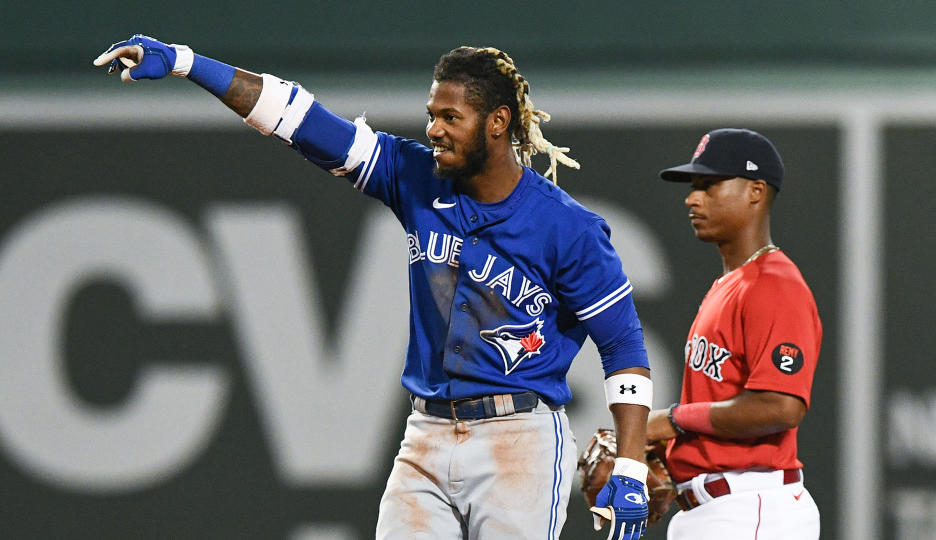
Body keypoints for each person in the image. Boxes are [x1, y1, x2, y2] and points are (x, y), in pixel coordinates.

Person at [94, 35, 653, 539]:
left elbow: (623, 348)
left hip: (519, 440)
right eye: (431, 114)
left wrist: (629, 466)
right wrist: (190, 64)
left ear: (498, 122)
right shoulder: (415, 175)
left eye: (450, 116)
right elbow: (299, 119)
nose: (433, 129)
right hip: (427, 434)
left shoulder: (568, 227)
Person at [646, 128, 821, 539]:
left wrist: (673, 420)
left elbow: (780, 406)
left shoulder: (775, 285)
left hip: (750, 507)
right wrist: (672, 454)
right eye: (694, 187)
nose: (692, 198)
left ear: (756, 191)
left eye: (709, 186)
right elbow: (720, 406)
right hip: (716, 508)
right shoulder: (731, 283)